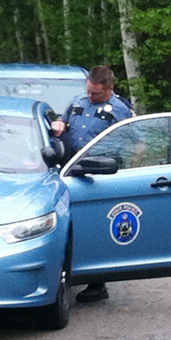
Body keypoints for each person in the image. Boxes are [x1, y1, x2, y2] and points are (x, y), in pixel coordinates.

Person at [51, 65, 132, 303]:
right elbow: (63, 122)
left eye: (95, 94)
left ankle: (97, 282)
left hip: (98, 175)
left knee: (95, 225)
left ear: (110, 88)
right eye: (88, 91)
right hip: (69, 171)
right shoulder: (77, 101)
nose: (90, 97)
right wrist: (58, 125)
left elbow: (133, 143)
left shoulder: (121, 110)